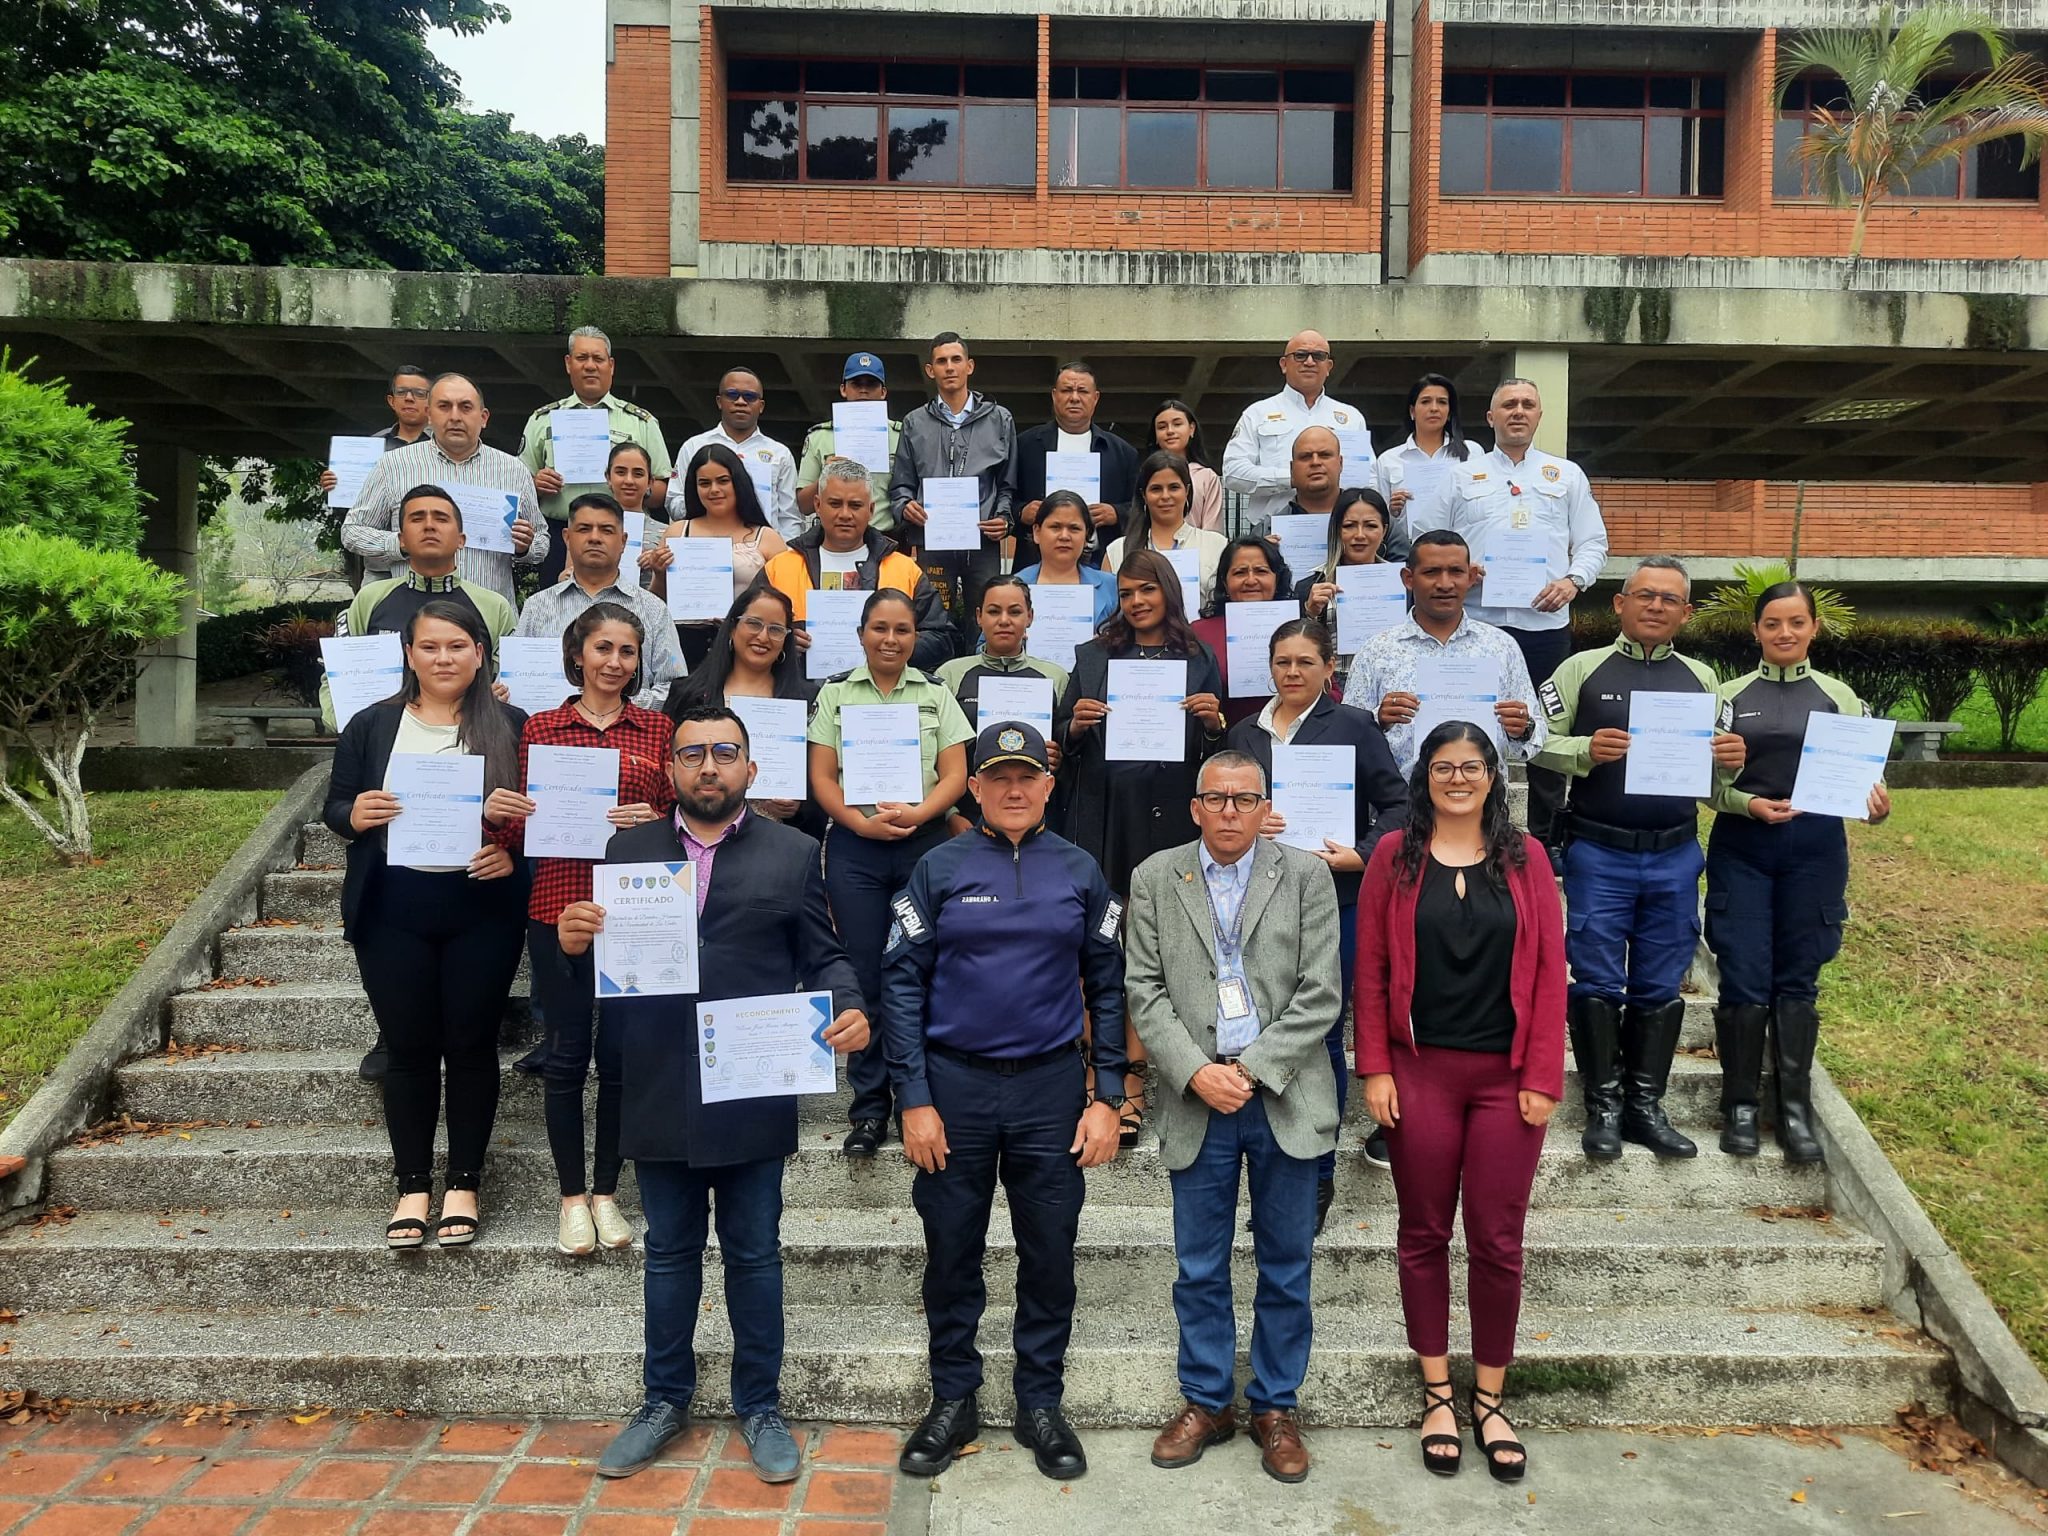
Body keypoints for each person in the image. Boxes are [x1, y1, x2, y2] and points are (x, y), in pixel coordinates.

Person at [565, 706, 869, 1486]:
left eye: (725, 752)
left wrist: (850, 1005)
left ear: (750, 769)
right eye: (693, 753)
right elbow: (602, 967)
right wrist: (572, 942)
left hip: (751, 1081)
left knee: (754, 1253)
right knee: (668, 1254)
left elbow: (826, 956)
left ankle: (760, 1405)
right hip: (659, 1078)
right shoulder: (629, 850)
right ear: (670, 768)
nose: (709, 766)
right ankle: (663, 1401)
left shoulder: (793, 853)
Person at [882, 721, 1127, 1482]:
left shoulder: (1081, 871)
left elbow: (1109, 986)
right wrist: (913, 1097)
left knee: (1049, 1249)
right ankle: (954, 1397)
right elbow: (900, 984)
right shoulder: (938, 867)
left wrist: (1108, 1095)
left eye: (1027, 777)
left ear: (1049, 786)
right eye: (998, 777)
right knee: (951, 1249)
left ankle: (1040, 1401)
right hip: (953, 1088)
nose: (1014, 790)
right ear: (975, 788)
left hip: (1050, 1089)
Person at [1355, 721, 1566, 1483]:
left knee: (1498, 1240)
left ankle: (1492, 1399)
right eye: (1443, 766)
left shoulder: (1527, 857)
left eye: (1471, 766)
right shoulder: (1393, 856)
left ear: (1492, 776)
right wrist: (1375, 1067)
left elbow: (1551, 971)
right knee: (1423, 1232)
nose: (1457, 779)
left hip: (1506, 1078)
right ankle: (1438, 1392)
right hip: (1421, 1074)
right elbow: (1371, 969)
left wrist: (1543, 1075)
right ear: (1425, 777)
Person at [1125, 751, 1342, 1484]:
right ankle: (1208, 1400)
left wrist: (1248, 1071)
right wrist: (1197, 1072)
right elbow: (1144, 990)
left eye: (1244, 799)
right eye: (1215, 799)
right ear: (1195, 808)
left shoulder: (1306, 875)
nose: (1228, 811)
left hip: (1284, 1093)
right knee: (1198, 1266)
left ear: (1264, 808)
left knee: (1286, 1263)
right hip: (1199, 1098)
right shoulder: (1155, 877)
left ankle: (1275, 1406)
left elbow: (1321, 992)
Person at [322, 600, 529, 1251]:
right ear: (409, 655)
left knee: (471, 1046)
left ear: (480, 653)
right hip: (393, 910)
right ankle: (412, 1184)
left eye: (457, 646)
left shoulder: (512, 725)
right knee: (408, 1049)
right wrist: (354, 815)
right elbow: (335, 805)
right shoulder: (372, 724)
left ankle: (465, 1181)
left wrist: (512, 853)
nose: (444, 658)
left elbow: (540, 815)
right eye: (430, 646)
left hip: (481, 910)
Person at [1535, 556, 1747, 1161]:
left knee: (1660, 981)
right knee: (1597, 979)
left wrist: (1731, 763)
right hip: (1599, 851)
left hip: (1675, 853)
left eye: (1669, 599)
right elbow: (1535, 742)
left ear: (1686, 613)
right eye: (1645, 595)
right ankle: (1602, 1106)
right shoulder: (1580, 669)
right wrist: (1585, 748)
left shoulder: (1705, 681)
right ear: (1619, 604)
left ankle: (1645, 1106)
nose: (1656, 606)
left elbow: (1717, 777)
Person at [485, 603, 675, 1256]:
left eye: (627, 651)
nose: (614, 662)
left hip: (636, 910)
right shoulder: (541, 726)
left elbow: (680, 827)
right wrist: (498, 818)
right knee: (567, 1056)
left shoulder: (657, 728)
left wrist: (653, 821)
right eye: (603, 648)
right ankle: (571, 1198)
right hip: (558, 904)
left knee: (619, 1059)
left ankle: (607, 1191)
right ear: (577, 655)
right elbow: (521, 829)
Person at [1707, 581, 1890, 1164]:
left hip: (1815, 850)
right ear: (1755, 630)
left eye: (1796, 622)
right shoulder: (1727, 696)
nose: (1784, 633)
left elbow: (1865, 781)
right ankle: (1739, 1105)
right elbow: (1705, 784)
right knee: (1743, 973)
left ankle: (1794, 1108)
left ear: (1814, 627)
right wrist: (1747, 803)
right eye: (1772, 623)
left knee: (1799, 976)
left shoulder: (1841, 697)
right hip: (1743, 846)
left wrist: (1876, 807)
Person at [1229, 619, 1408, 1213]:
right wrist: (1249, 821)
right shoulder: (1244, 732)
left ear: (1330, 668)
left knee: (1321, 1030)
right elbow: (1219, 808)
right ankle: (1269, 1157)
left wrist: (1363, 853)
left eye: (1305, 662)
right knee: (1261, 1025)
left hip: (1335, 899)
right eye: (1282, 662)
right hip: (1254, 902)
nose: (1292, 673)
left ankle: (1318, 1169)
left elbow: (1399, 805)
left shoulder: (1353, 724)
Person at [1057, 549, 1228, 1142]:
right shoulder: (1093, 655)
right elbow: (1063, 744)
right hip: (1107, 816)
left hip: (1172, 820)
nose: (1136, 602)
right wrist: (1075, 726)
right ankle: (1103, 1074)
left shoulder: (1198, 657)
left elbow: (1214, 751)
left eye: (1146, 590)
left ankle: (1144, 1071)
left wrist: (1213, 724)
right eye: (1126, 593)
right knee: (1103, 949)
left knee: (1158, 950)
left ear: (1168, 593)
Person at [1411, 378, 1608, 856]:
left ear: (1539, 415)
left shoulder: (1567, 476)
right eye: (1508, 405)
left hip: (1544, 627)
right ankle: (1461, 829)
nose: (1518, 411)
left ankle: (1543, 839)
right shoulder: (1462, 476)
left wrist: (1573, 581)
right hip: (1478, 623)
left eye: (1527, 404)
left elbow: (1592, 542)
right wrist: (1461, 568)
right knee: (1465, 725)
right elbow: (1425, 533)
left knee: (1542, 730)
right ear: (1490, 417)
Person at [809, 588, 974, 1157]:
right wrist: (861, 823)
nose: (890, 639)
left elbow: (955, 773)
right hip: (856, 848)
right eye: (879, 628)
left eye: (902, 630)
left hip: (922, 846)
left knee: (919, 965)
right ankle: (869, 1108)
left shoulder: (935, 692)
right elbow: (822, 776)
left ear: (915, 637)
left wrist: (920, 815)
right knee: (864, 973)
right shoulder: (835, 693)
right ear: (861, 634)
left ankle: (918, 1097)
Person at [1343, 531, 1547, 776]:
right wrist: (1378, 720)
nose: (1444, 584)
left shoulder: (1502, 647)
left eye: (1456, 572)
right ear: (1408, 579)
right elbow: (1345, 735)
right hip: (1399, 796)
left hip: (1482, 795)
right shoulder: (1376, 650)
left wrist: (1523, 728)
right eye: (1431, 572)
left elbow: (1535, 737)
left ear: (1471, 577)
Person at [322, 483, 519, 733]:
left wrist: (492, 702)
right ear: (401, 540)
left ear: (461, 540)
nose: (429, 526)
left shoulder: (494, 606)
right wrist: (351, 728)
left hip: (469, 739)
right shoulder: (369, 599)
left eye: (441, 518)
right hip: (384, 739)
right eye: (417, 518)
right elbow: (335, 677)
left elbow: (511, 681)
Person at [344, 373, 548, 604]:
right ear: (429, 415)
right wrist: (401, 542)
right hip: (412, 612)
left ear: (483, 418)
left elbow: (542, 541)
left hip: (487, 613)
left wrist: (525, 546)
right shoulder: (393, 466)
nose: (455, 417)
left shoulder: (514, 471)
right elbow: (352, 531)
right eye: (444, 406)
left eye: (465, 407)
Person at [763, 460, 958, 672]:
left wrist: (895, 646)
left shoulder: (904, 570)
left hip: (882, 690)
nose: (845, 514)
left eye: (855, 505)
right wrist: (782, 640)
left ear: (871, 509)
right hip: (799, 687)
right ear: (817, 505)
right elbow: (747, 630)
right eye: (835, 504)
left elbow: (942, 639)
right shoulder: (780, 568)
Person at [518, 326, 673, 586]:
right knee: (560, 607)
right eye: (582, 358)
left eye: (598, 359)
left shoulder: (641, 422)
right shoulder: (541, 419)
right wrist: (536, 485)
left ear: (611, 365)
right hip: (559, 533)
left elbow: (662, 490)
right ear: (568, 363)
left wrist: (630, 484)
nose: (590, 365)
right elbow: (518, 487)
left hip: (622, 532)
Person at [665, 581, 820, 835]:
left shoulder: (807, 698)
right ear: (732, 628)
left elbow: (820, 775)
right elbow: (669, 765)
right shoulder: (689, 694)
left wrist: (799, 804)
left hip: (777, 837)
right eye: (754, 624)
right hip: (701, 829)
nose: (763, 637)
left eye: (776, 629)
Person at [514, 494, 686, 712]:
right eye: (584, 529)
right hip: (550, 730)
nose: (594, 538)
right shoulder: (537, 607)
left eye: (606, 530)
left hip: (631, 730)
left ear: (623, 541)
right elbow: (515, 677)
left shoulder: (653, 609)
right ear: (567, 538)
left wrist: (617, 703)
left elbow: (674, 686)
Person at [889, 331, 1016, 614]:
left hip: (982, 540)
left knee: (985, 616)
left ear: (969, 366)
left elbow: (1008, 484)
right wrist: (906, 506)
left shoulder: (1000, 419)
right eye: (941, 361)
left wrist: (1004, 519)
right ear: (930, 370)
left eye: (956, 360)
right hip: (931, 538)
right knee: (933, 616)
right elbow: (900, 485)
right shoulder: (914, 422)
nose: (949, 367)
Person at [657, 443, 790, 670]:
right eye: (704, 483)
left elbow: (785, 603)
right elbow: (657, 603)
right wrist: (659, 572)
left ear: (738, 482)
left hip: (749, 649)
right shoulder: (677, 532)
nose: (714, 490)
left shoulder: (768, 538)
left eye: (723, 480)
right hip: (684, 647)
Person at [1222, 331, 1373, 528]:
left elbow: (1369, 478)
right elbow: (1233, 473)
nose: (1309, 362)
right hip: (1272, 530)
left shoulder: (1351, 417)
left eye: (1318, 356)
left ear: (1329, 367)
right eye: (1300, 355)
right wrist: (1292, 478)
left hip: (1340, 528)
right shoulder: (1257, 413)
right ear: (1284, 364)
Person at [1012, 362, 1142, 564]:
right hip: (1036, 563)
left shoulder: (1123, 452)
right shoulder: (1024, 446)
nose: (1074, 398)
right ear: (1054, 395)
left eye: (1082, 391)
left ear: (1095, 398)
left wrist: (1116, 513)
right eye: (1066, 390)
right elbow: (1003, 499)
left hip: (1099, 562)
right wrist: (1021, 512)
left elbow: (1141, 507)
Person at [317, 363, 432, 587]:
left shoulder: (443, 447)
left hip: (431, 565)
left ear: (431, 401)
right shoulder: (371, 446)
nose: (409, 398)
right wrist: (335, 487)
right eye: (402, 392)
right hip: (380, 567)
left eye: (419, 393)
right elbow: (354, 513)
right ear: (391, 400)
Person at [935, 576, 1072, 739]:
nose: (1004, 621)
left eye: (1015, 612)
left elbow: (1067, 737)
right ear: (979, 616)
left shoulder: (1056, 677)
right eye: (994, 611)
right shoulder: (950, 674)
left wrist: (1060, 750)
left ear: (1029, 617)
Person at [677, 368, 800, 539]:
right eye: (732, 395)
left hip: (764, 549)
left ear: (761, 406)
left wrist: (784, 552)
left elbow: (789, 517)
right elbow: (674, 501)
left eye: (749, 396)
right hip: (704, 545)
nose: (741, 402)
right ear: (719, 401)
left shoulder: (780, 454)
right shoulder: (693, 446)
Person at [1190, 533, 1295, 731]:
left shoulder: (1299, 627)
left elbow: (1332, 695)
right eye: (1240, 572)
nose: (1251, 580)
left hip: (1292, 738)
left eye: (1261, 571)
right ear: (1225, 582)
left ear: (1277, 578)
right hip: (1224, 738)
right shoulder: (1200, 632)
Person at [1372, 374, 1483, 557]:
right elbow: (1378, 520)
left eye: (1442, 402)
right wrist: (1393, 511)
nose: (1434, 408)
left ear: (1449, 412)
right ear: (1412, 411)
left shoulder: (1472, 453)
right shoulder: (1389, 460)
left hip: (1462, 551)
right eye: (1425, 402)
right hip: (1409, 552)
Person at [1103, 451, 1229, 610]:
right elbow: (1109, 611)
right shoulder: (1117, 550)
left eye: (1174, 487)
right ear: (1144, 495)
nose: (1165, 496)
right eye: (1156, 489)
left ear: (1187, 491)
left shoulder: (1217, 545)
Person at [1293, 484, 1394, 682]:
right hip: (1332, 686)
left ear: (1384, 530)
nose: (1360, 535)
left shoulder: (1403, 582)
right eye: (1349, 526)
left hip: (1389, 682)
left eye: (1370, 526)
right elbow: (1297, 649)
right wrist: (1310, 613)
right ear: (1337, 530)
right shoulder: (1310, 586)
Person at [797, 352, 901, 533]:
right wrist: (825, 476)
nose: (863, 390)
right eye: (856, 384)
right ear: (843, 389)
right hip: (835, 536)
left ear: (883, 392)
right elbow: (804, 505)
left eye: (871, 384)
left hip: (887, 537)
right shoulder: (819, 437)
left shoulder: (901, 435)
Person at [1013, 491, 1119, 629]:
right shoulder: (1013, 587)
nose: (1064, 536)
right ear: (1037, 532)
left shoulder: (1111, 586)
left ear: (1087, 536)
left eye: (1074, 528)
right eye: (1055, 527)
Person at [1147, 398, 1224, 531]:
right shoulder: (1147, 475)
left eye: (1177, 424)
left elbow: (1213, 530)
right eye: (1162, 427)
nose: (1170, 431)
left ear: (1191, 429)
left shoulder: (1206, 477)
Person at [606, 441, 672, 588]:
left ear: (650, 482)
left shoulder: (667, 533)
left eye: (638, 474)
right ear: (608, 478)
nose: (629, 480)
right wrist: (566, 576)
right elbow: (570, 573)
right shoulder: (589, 527)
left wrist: (659, 566)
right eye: (621, 472)